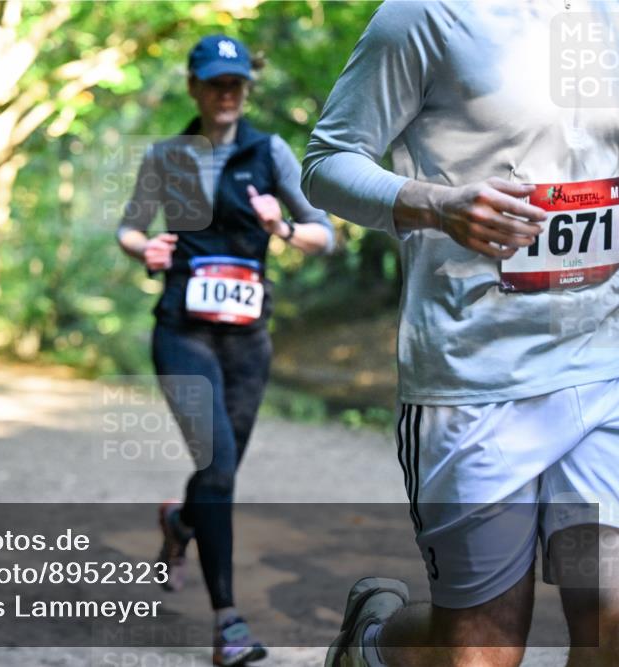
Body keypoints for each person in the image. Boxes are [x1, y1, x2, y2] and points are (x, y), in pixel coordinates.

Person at [300, 2, 618, 666]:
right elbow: (328, 161)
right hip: (473, 377)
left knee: (612, 619)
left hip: (602, 367)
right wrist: (439, 205)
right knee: (479, 653)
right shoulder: (426, 15)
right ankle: (373, 644)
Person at [116, 34, 334, 666]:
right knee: (216, 467)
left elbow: (324, 235)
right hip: (182, 331)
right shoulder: (167, 156)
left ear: (247, 89)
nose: (227, 92)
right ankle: (227, 620)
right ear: (194, 87)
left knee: (220, 474)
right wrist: (144, 248)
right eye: (215, 82)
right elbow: (131, 226)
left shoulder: (270, 153)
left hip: (247, 342)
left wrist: (283, 228)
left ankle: (181, 522)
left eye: (237, 82)